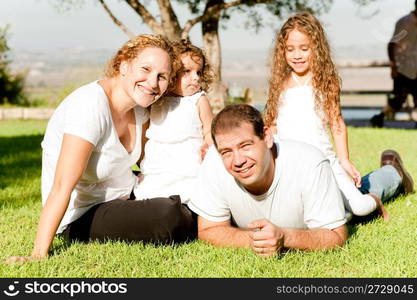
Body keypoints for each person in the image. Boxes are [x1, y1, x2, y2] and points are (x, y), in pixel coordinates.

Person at [6, 34, 197, 264]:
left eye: (162, 76)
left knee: (189, 191)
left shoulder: (139, 109)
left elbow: (154, 165)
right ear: (124, 65)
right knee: (167, 215)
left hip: (125, 195)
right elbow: (60, 186)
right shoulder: (89, 106)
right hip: (84, 212)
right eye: (145, 69)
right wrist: (38, 254)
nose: (153, 82)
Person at [188, 104, 414, 257]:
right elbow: (209, 229)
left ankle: (393, 172)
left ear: (266, 137)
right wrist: (258, 240)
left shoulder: (310, 163)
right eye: (227, 151)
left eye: (245, 146)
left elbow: (335, 235)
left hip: (330, 200)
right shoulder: (214, 163)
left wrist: (284, 236)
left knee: (360, 201)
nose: (237, 160)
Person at [263, 12, 392, 221]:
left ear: (317, 48)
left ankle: (374, 200)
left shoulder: (325, 82)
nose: (297, 55)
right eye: (290, 49)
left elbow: (336, 123)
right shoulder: (280, 84)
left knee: (359, 208)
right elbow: (272, 125)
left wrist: (345, 160)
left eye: (304, 49)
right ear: (282, 51)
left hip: (325, 163)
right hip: (291, 166)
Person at [134, 39, 213, 203]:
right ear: (171, 73)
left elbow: (209, 130)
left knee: (190, 196)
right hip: (158, 166)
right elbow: (144, 136)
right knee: (152, 196)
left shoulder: (198, 100)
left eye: (198, 72)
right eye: (187, 71)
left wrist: (208, 147)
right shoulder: (155, 101)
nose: (195, 78)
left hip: (189, 166)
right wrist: (143, 160)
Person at [370, 1, 417, 127]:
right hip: (403, 69)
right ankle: (378, 118)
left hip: (415, 69)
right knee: (398, 100)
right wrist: (393, 66)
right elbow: (392, 44)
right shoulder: (405, 23)